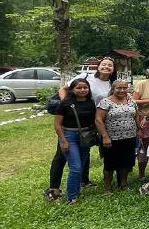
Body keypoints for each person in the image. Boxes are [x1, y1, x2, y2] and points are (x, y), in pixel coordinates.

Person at [45, 57, 116, 201]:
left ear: (113, 69)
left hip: (90, 123)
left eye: (110, 65)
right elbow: (64, 88)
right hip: (71, 123)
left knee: (85, 153)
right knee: (61, 156)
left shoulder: (110, 83)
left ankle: (84, 181)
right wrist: (67, 105)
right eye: (104, 64)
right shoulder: (86, 77)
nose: (106, 67)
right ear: (98, 66)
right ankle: (54, 188)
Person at [53, 78, 95, 204]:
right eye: (79, 88)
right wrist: (63, 141)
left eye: (85, 87)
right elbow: (57, 125)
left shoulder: (90, 102)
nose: (82, 90)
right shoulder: (65, 103)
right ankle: (72, 197)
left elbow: (94, 120)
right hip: (69, 136)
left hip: (85, 136)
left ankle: (75, 190)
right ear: (72, 89)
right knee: (76, 167)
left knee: (80, 165)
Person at [95, 80, 137, 192]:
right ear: (113, 89)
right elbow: (98, 120)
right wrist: (105, 136)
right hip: (111, 138)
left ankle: (123, 184)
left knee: (125, 162)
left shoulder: (131, 101)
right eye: (119, 88)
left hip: (130, 137)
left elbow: (135, 115)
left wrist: (139, 129)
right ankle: (108, 187)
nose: (122, 90)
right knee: (110, 163)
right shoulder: (105, 102)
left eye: (124, 88)